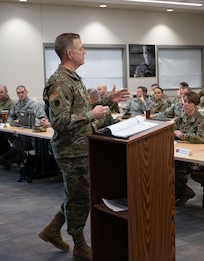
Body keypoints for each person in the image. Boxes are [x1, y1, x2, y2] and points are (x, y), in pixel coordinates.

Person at [40, 33, 129, 261]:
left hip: (81, 148)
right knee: (80, 197)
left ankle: (53, 230)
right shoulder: (59, 82)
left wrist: (108, 101)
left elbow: (79, 113)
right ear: (70, 53)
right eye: (81, 48)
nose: (85, 51)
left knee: (77, 194)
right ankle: (79, 244)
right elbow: (59, 122)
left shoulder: (73, 78)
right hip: (71, 152)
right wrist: (92, 113)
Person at [0, 85, 49, 171]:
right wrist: (12, 123)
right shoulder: (16, 104)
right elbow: (11, 116)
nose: (20, 94)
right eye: (18, 93)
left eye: (22, 92)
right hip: (22, 129)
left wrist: (32, 123)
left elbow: (42, 119)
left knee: (20, 140)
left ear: (26, 92)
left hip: (33, 132)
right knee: (12, 136)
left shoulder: (34, 104)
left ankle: (10, 158)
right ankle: (17, 158)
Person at [174, 91, 204, 206]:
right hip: (182, 152)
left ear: (195, 104)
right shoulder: (180, 118)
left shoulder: (202, 120)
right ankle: (182, 192)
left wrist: (182, 136)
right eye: (184, 102)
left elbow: (203, 138)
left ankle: (181, 192)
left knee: (176, 167)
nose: (186, 104)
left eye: (189, 102)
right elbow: (172, 132)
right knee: (165, 165)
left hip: (197, 156)